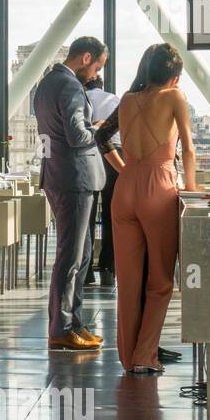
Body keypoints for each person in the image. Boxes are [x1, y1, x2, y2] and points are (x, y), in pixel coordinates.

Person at [110, 44, 200, 374]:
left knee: (128, 281)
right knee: (161, 281)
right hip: (158, 186)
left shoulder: (126, 99)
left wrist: (128, 171)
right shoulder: (175, 97)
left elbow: (104, 139)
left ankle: (127, 355)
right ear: (174, 76)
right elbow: (188, 148)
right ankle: (145, 356)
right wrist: (191, 188)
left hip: (125, 186)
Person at [33, 35, 108, 351]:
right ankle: (62, 328)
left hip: (58, 176)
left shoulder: (46, 84)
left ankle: (74, 322)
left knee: (81, 254)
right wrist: (100, 128)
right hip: (74, 178)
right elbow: (78, 136)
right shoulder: (70, 86)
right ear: (86, 57)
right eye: (98, 67)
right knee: (71, 256)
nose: (95, 76)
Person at [84, 73, 120, 288]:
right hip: (115, 156)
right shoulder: (114, 99)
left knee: (86, 219)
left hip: (88, 157)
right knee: (111, 215)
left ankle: (86, 271)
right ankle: (108, 269)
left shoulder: (80, 98)